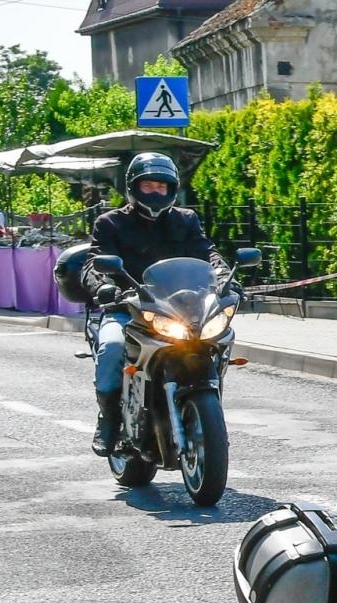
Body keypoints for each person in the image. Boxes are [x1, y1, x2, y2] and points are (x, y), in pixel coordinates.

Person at [80, 152, 228, 456]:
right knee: (110, 347)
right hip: (128, 309)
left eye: (162, 186)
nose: (156, 192)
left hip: (179, 310)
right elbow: (94, 263)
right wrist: (104, 287)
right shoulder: (110, 223)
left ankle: (207, 410)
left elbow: (206, 252)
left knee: (223, 336)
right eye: (149, 185)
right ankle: (108, 418)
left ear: (171, 189)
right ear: (133, 187)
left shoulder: (185, 220)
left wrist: (225, 275)